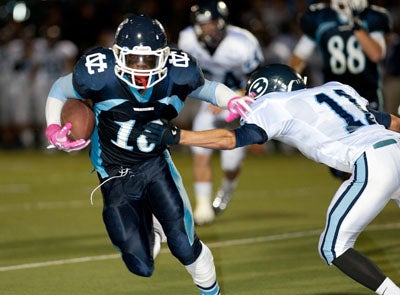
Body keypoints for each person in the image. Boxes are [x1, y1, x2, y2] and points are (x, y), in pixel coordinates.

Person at [142, 64, 400, 294]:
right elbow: (391, 122)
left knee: (333, 248)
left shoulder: (273, 103)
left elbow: (231, 139)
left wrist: (177, 136)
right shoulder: (337, 89)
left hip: (372, 161)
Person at [44, 14, 252, 295]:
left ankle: (211, 292)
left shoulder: (178, 73)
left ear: (164, 57)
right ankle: (149, 225)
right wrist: (53, 127)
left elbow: (208, 89)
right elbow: (60, 88)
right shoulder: (99, 72)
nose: (141, 69)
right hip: (113, 171)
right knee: (141, 265)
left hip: (155, 164)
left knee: (183, 245)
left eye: (149, 60)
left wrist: (233, 99)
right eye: (133, 61)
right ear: (118, 56)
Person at [177, 0, 264, 225]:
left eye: (211, 23)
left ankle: (228, 185)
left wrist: (231, 96)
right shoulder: (187, 39)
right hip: (210, 104)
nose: (206, 28)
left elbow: (260, 82)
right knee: (200, 149)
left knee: (230, 164)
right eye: (202, 24)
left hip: (240, 103)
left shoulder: (242, 43)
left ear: (222, 22)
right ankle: (203, 206)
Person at [288, 0, 392, 180]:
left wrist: (356, 26)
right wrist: (288, 81)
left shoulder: (371, 17)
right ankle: (358, 195)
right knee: (342, 159)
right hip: (336, 98)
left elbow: (376, 54)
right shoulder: (320, 17)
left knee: (377, 149)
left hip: (366, 94)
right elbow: (299, 57)